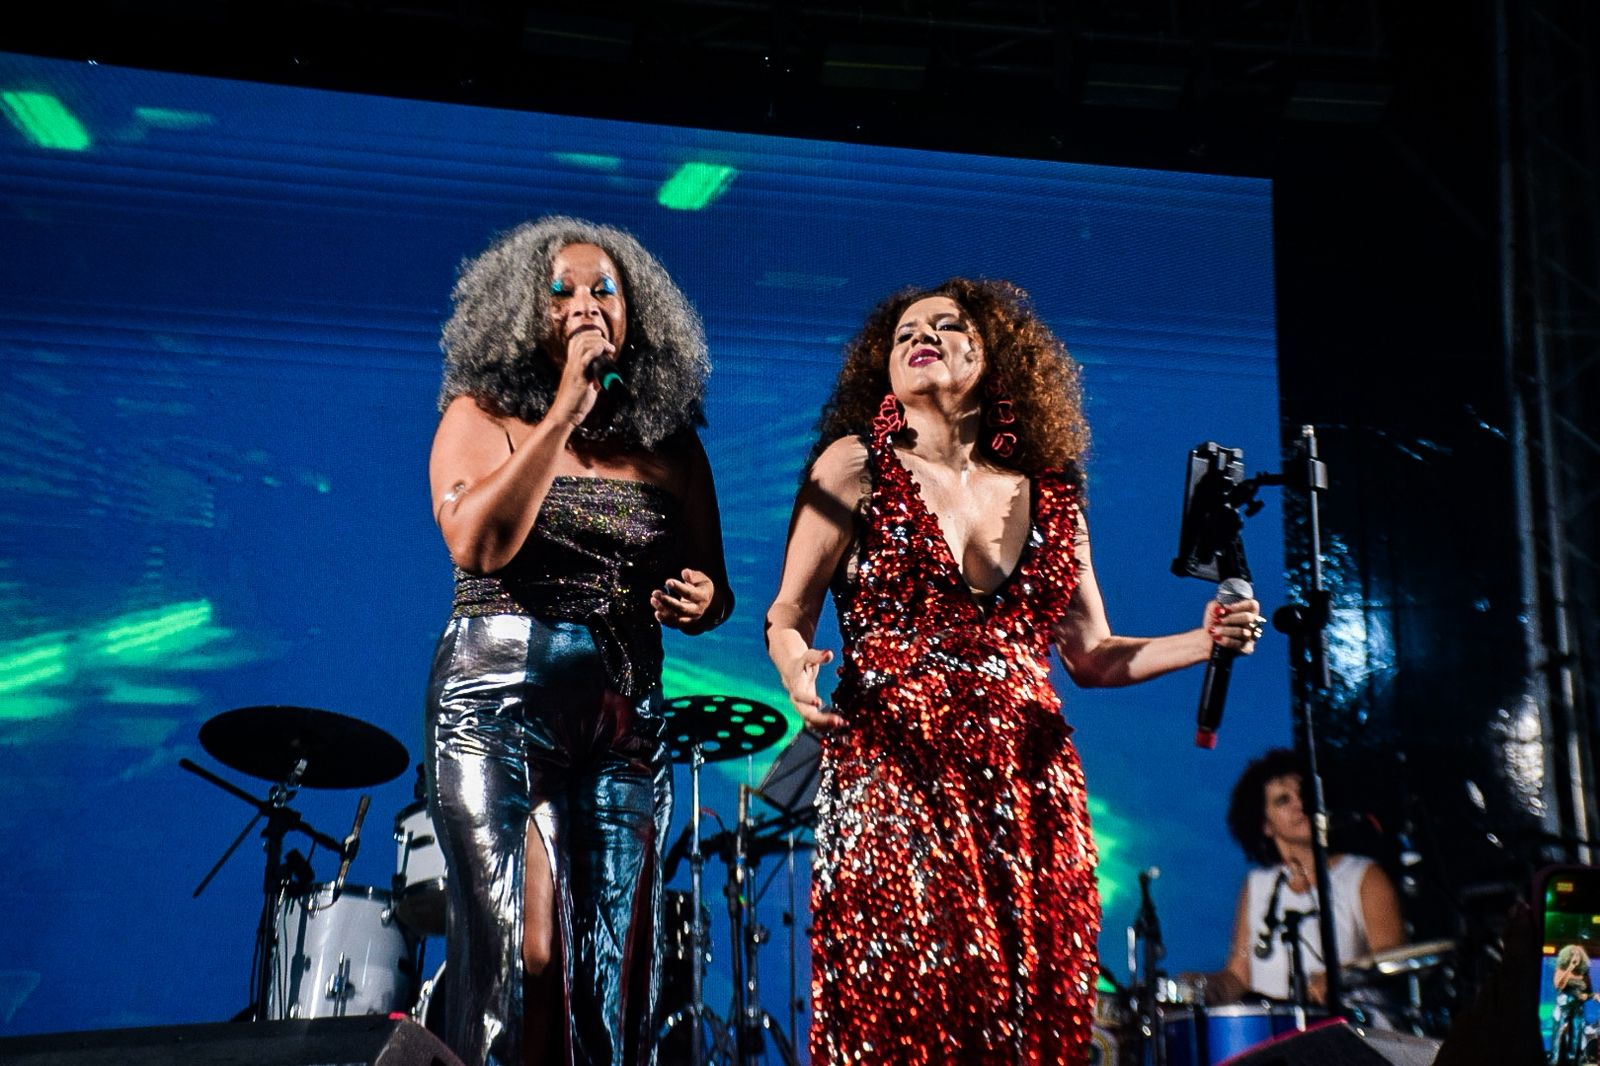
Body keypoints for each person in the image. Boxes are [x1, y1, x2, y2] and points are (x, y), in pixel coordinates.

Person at [764, 277, 1264, 1063]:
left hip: (1027, 790)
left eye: (945, 324)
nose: (920, 337)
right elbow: (788, 611)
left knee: (1026, 1015)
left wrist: (1203, 641)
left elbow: (1092, 655)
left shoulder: (1054, 494)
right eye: (903, 333)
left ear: (993, 356)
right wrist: (796, 666)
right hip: (898, 776)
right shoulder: (853, 466)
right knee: (911, 1006)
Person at [425, 216, 732, 1066]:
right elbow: (477, 545)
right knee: (507, 951)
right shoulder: (482, 415)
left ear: (637, 313)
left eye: (606, 289)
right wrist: (564, 410)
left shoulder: (669, 445)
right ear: (522, 313)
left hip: (623, 714)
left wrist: (702, 600)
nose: (587, 303)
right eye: (561, 290)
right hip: (496, 705)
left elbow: (714, 585)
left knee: (615, 961)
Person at [1197, 747, 1406, 1009]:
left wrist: (1341, 975)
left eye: (1304, 794)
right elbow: (1239, 976)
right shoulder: (1257, 885)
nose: (1300, 804)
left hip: (1357, 1023)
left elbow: (1393, 957)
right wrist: (1200, 987)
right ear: (1265, 825)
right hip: (1281, 1029)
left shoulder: (1364, 875)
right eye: (1283, 800)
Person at [1549, 943, 1594, 1066]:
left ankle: (1572, 1060)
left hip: (1578, 1006)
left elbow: (1589, 991)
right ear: (1567, 956)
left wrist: (1586, 996)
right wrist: (1570, 968)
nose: (1576, 957)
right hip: (1563, 1005)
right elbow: (1559, 985)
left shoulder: (1584, 973)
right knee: (1559, 1032)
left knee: (1576, 1033)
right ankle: (1555, 1060)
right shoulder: (1561, 969)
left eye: (1578, 954)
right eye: (1573, 954)